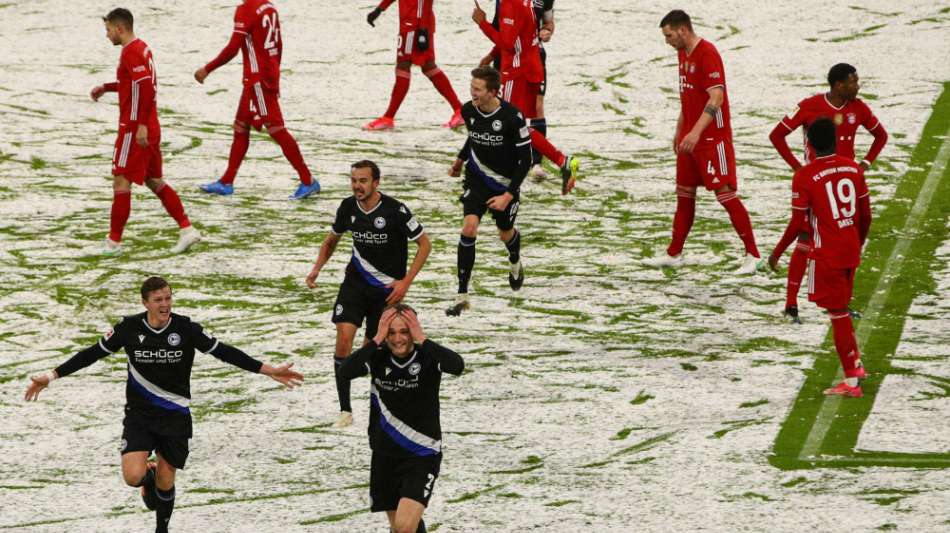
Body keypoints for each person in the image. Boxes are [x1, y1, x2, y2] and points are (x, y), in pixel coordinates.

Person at [24, 276, 304, 533]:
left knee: (167, 480)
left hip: (175, 415)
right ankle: (150, 477)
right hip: (139, 415)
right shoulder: (129, 328)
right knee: (133, 476)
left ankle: (162, 530)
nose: (165, 304)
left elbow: (224, 352)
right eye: (158, 300)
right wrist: (51, 375)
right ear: (145, 302)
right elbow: (92, 354)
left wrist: (267, 369)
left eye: (168, 298)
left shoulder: (186, 328)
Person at [305, 160, 431, 428]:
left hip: (386, 293)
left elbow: (424, 244)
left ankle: (384, 406)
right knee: (343, 338)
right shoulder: (347, 207)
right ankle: (345, 410)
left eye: (362, 181)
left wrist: (405, 282)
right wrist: (316, 269)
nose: (357, 186)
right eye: (353, 181)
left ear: (376, 183)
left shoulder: (395, 210)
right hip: (354, 285)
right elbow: (331, 241)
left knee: (368, 355)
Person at [763, 63, 888, 323]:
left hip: (846, 185)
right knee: (806, 237)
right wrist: (799, 168)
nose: (858, 85)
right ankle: (791, 304)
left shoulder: (859, 108)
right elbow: (777, 136)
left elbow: (881, 136)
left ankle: (841, 303)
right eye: (854, 81)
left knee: (848, 238)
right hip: (818, 183)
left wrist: (864, 164)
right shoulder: (809, 106)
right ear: (839, 84)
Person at [644, 10, 759, 273]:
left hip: (711, 139)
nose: (667, 41)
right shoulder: (682, 54)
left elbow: (715, 98)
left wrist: (695, 133)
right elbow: (688, 97)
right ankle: (674, 254)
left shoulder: (708, 53)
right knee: (684, 195)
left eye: (669, 35)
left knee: (725, 194)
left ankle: (753, 255)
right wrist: (679, 129)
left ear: (683, 30)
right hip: (690, 137)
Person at [338, 305, 464, 533]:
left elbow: (457, 366)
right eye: (391, 332)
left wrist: (423, 339)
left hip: (421, 453)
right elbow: (344, 371)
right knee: (401, 528)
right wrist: (375, 339)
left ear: (414, 331)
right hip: (384, 454)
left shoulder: (427, 357)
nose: (398, 339)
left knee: (405, 527)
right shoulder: (377, 357)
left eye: (404, 331)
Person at [90, 8, 200, 256]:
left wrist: (139, 124)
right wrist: (107, 87)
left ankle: (113, 242)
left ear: (120, 28)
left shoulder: (131, 52)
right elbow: (135, 85)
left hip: (134, 128)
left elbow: (146, 89)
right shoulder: (142, 48)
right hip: (150, 126)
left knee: (121, 179)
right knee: (153, 180)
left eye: (108, 30)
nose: (106, 35)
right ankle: (187, 229)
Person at [194, 0, 320, 200]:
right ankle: (226, 181)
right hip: (265, 74)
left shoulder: (246, 10)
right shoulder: (268, 6)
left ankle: (307, 180)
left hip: (257, 79)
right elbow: (278, 44)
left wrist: (207, 69)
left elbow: (233, 48)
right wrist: (274, 72)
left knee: (276, 129)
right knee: (241, 126)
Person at [781, 118, 871, 397]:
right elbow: (866, 215)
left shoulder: (805, 176)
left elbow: (798, 225)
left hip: (828, 255)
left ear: (808, 144)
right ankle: (856, 365)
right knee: (841, 309)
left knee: (838, 314)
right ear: (835, 139)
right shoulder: (853, 168)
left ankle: (852, 380)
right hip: (851, 249)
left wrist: (775, 253)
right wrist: (857, 241)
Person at [445, 67, 534, 317]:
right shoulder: (468, 110)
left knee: (505, 233)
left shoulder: (512, 117)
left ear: (493, 92)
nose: (472, 92)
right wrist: (460, 160)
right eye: (471, 87)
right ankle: (462, 295)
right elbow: (473, 136)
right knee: (469, 227)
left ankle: (515, 261)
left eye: (477, 89)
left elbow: (525, 160)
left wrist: (508, 195)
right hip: (477, 178)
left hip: (506, 183)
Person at [472, 0, 578, 195]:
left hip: (517, 72)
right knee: (515, 125)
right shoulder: (524, 2)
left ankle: (560, 161)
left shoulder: (510, 3)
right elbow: (517, 35)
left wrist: (482, 23)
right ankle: (558, 163)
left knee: (506, 121)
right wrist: (491, 55)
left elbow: (508, 43)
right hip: (530, 67)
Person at [363, 0, 464, 130]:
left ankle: (388, 118)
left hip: (415, 24)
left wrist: (422, 29)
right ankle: (459, 109)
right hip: (410, 22)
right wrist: (380, 9)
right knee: (428, 66)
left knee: (403, 65)